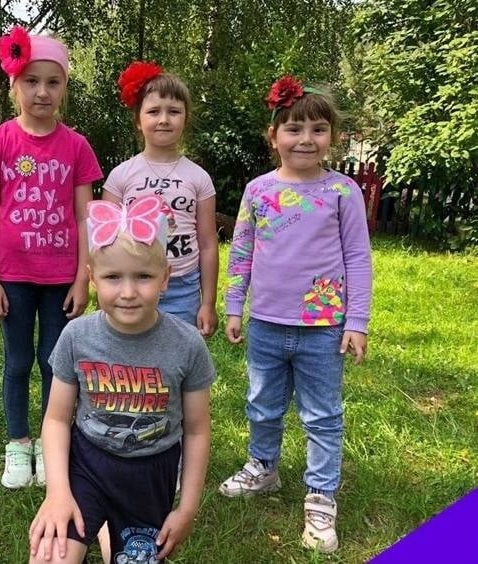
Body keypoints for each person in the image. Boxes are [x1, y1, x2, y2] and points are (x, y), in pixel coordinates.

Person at [219, 75, 372, 553]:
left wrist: (357, 322)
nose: (306, 139)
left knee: (322, 414)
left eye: (318, 129)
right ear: (274, 136)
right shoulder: (258, 191)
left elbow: (358, 258)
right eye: (294, 128)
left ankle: (321, 496)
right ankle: (263, 467)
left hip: (323, 329)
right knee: (262, 404)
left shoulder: (343, 191)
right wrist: (234, 307)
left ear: (333, 136)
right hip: (265, 323)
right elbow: (241, 252)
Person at [28, 196, 215, 563]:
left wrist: (187, 508)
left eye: (143, 276)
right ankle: (98, 520)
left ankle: (109, 530)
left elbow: (196, 430)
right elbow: (56, 419)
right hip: (86, 465)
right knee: (49, 556)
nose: (128, 292)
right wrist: (57, 493)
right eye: (113, 277)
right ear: (92, 277)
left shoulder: (187, 344)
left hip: (151, 475)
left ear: (165, 278)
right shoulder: (76, 337)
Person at [0, 27, 103, 489]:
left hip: (61, 277)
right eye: (32, 81)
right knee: (18, 361)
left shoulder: (77, 147)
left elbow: (86, 218)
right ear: (15, 85)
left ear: (64, 87)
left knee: (54, 361)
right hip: (13, 277)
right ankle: (18, 444)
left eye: (52, 82)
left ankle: (50, 444)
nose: (42, 92)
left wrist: (84, 277)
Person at [103, 61, 218, 337]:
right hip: (132, 284)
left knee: (178, 352)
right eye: (154, 111)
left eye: (174, 112)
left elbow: (207, 243)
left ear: (185, 119)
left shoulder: (199, 177)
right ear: (138, 120)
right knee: (129, 352)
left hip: (182, 286)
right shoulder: (121, 176)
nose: (164, 119)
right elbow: (105, 240)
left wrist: (208, 303)